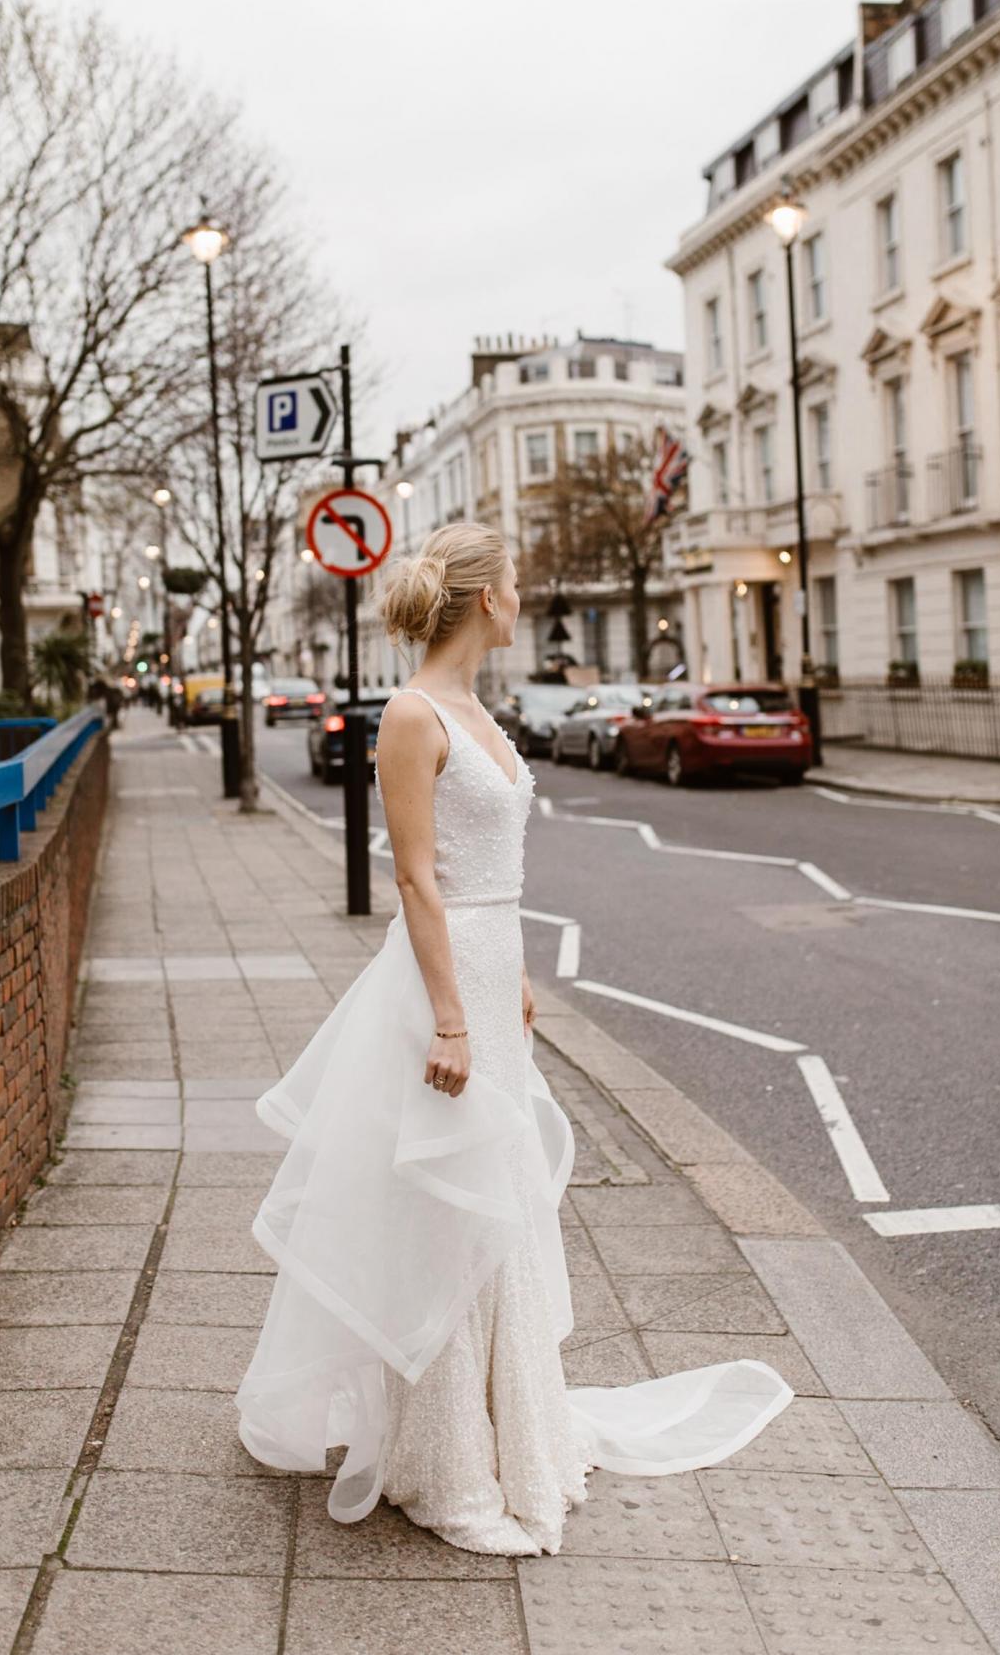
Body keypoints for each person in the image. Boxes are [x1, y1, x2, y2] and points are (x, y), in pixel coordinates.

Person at [234, 522, 791, 1556]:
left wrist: (514, 977)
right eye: (517, 584)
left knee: (502, 1209)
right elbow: (415, 877)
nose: (525, 597)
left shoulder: (474, 707)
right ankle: (446, 1473)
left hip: (491, 974)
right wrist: (450, 1017)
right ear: (485, 600)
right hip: (441, 991)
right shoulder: (409, 712)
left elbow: (486, 867)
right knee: (453, 1213)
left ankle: (504, 1432)